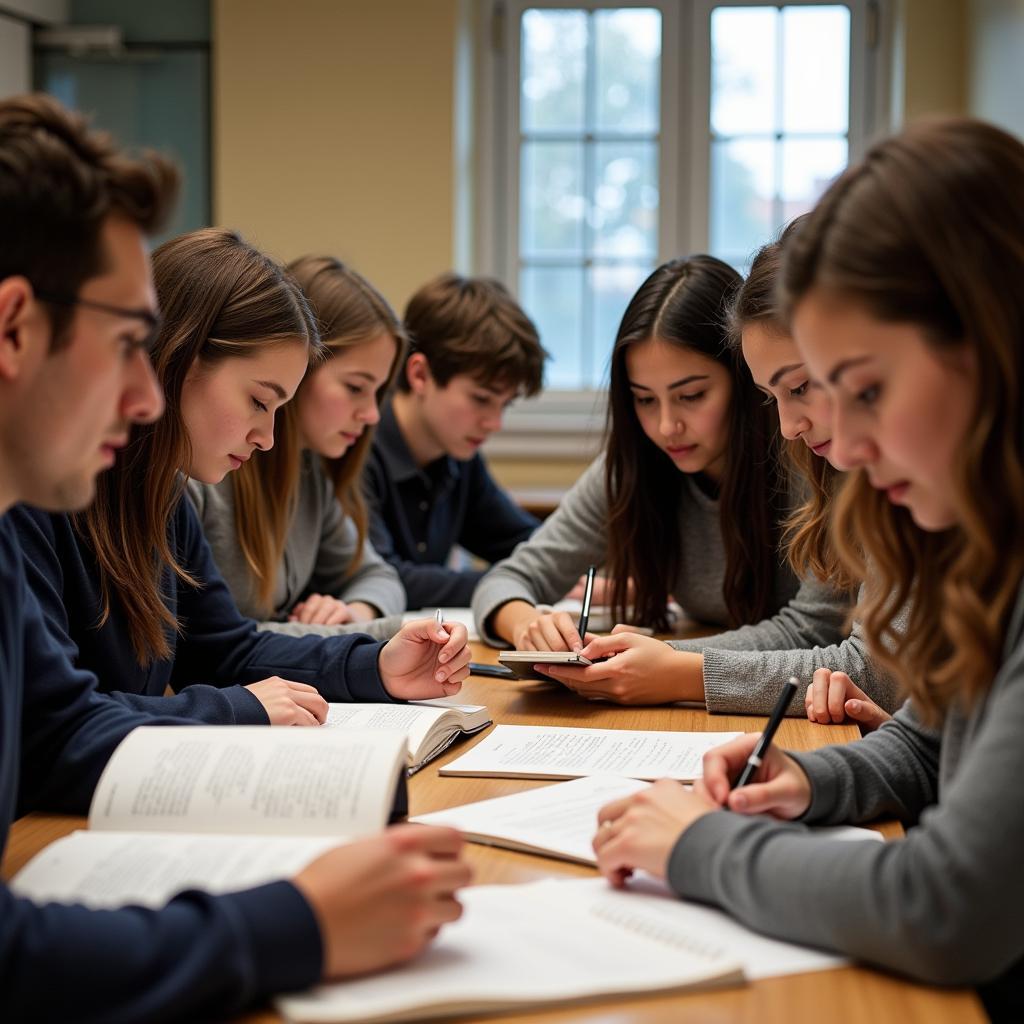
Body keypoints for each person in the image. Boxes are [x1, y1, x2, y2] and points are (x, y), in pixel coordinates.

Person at [0, 92, 470, 1021]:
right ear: (15, 327)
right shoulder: (30, 513)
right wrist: (296, 925)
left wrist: (370, 662)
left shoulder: (137, 496)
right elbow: (64, 750)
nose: (145, 398)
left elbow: (216, 649)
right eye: (130, 346)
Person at [592, 118, 1024, 1020]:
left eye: (861, 388)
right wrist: (812, 780)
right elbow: (931, 738)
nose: (839, 440)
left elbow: (948, 909)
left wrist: (699, 848)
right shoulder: (986, 538)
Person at [11, 227, 470, 726]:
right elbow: (51, 722)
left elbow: (223, 650)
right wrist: (237, 706)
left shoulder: (161, 495)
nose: (268, 438)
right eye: (258, 401)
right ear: (176, 357)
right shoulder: (32, 499)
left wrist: (376, 665)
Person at [472, 254, 853, 713]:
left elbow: (814, 631)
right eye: (644, 400)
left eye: (691, 396)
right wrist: (525, 624)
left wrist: (667, 663)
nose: (667, 425)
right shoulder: (636, 468)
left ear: (743, 380)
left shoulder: (813, 455)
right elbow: (509, 577)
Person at [190, 255, 407, 640]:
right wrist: (357, 634)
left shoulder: (308, 475)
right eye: (356, 387)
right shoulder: (198, 471)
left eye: (379, 392)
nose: (372, 415)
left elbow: (378, 575)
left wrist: (353, 612)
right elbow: (207, 645)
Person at [364, 271, 547, 608]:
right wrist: (519, 582)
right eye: (481, 399)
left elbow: (529, 545)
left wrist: (569, 574)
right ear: (420, 374)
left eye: (505, 404)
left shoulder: (459, 457)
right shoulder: (355, 449)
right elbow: (383, 578)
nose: (495, 423)